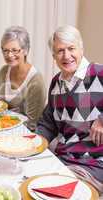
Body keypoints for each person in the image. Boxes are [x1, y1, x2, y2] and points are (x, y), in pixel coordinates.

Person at [37, 25, 103, 193]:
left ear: (81, 48)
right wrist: (32, 144)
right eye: (60, 51)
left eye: (71, 48)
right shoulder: (56, 83)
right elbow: (48, 122)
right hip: (63, 159)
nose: (66, 56)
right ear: (54, 56)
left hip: (94, 164)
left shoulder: (99, 73)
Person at [0, 26, 46, 131]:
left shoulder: (36, 81)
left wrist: (2, 127)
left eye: (14, 50)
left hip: (22, 133)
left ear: (25, 51)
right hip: (1, 126)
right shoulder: (4, 70)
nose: (9, 55)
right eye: (5, 50)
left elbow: (31, 123)